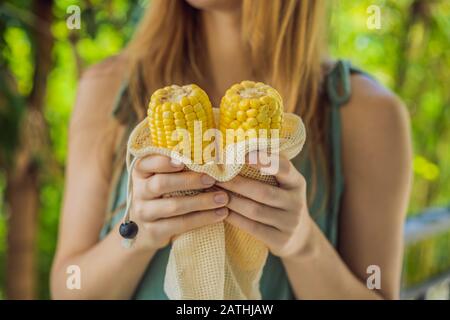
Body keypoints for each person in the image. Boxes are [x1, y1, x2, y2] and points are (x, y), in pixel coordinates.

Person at [50, 0, 412, 299]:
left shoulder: (368, 113)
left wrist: (303, 244)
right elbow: (69, 288)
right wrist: (136, 236)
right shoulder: (106, 88)